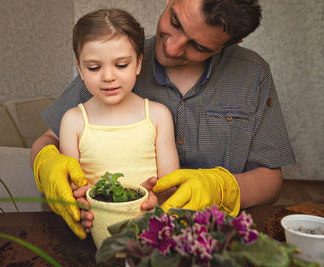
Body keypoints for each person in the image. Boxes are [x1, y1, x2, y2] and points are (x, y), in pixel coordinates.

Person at [31, 0, 295, 239]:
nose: (171, 47)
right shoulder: (116, 55)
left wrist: (221, 188)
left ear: (229, 43)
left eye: (198, 46)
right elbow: (49, 138)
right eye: (175, 22)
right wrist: (46, 164)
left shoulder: (252, 74)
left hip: (213, 234)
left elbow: (270, 180)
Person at [33, 8, 179, 239]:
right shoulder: (73, 121)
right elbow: (72, 190)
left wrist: (155, 200)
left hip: (149, 229)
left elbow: (171, 186)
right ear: (80, 68)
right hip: (96, 230)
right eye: (94, 67)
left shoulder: (158, 116)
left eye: (121, 65)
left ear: (139, 64)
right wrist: (79, 208)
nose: (108, 76)